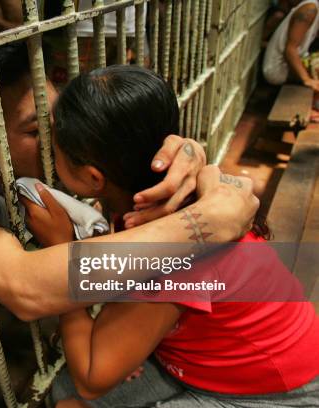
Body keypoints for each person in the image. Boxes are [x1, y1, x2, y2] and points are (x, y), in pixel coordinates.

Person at [0, 42, 259, 380]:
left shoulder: (48, 161)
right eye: (38, 130)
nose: (61, 139)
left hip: (37, 289)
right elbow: (21, 284)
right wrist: (205, 223)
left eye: (58, 119)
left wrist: (181, 150)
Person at [20, 64, 319, 407]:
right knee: (63, 391)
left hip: (275, 391)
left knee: (73, 398)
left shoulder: (174, 250)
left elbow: (92, 378)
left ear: (93, 179)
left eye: (52, 144)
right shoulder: (153, 200)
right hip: (224, 358)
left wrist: (63, 251)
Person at [263, 0, 319, 90]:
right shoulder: (309, 10)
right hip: (278, 70)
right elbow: (290, 49)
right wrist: (307, 80)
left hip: (291, 66)